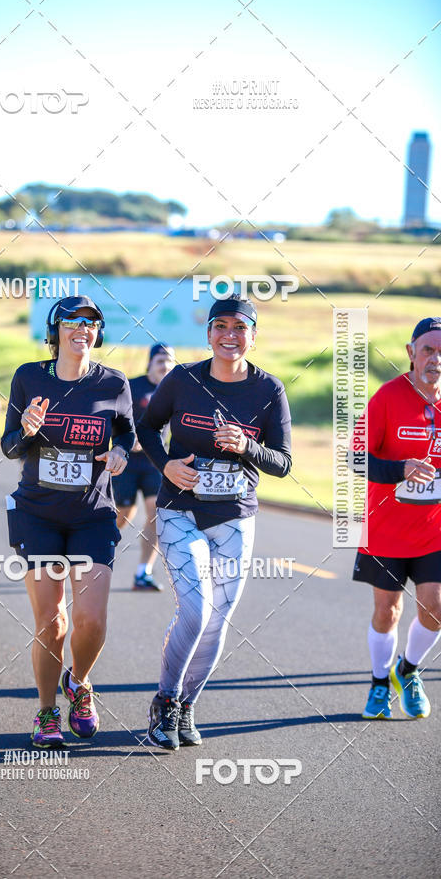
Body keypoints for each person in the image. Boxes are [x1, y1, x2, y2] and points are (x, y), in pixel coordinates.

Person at [137, 294, 292, 750]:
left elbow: (283, 463)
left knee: (218, 621)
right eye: (221, 326)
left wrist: (246, 446)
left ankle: (187, 705)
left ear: (253, 336)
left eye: (240, 327)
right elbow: (147, 427)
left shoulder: (269, 390)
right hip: (179, 509)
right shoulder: (183, 379)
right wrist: (166, 465)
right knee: (196, 609)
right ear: (208, 334)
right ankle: (165, 701)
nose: (230, 335)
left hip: (234, 517)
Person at [1, 295, 135, 749]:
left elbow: (127, 431)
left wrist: (120, 452)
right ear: (55, 331)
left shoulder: (114, 383)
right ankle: (46, 712)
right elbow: (9, 447)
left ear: (98, 332)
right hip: (38, 515)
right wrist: (27, 430)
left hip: (91, 516)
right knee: (52, 622)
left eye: (91, 322)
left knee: (91, 620)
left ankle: (78, 682)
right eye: (72, 321)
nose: (83, 328)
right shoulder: (29, 377)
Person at [353, 317, 441, 720]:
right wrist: (398, 469)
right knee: (387, 609)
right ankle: (378, 681)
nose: (435, 359)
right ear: (411, 353)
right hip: (386, 529)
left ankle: (408, 670)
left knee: (435, 607)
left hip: (434, 530)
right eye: (428, 349)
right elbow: (355, 458)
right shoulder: (387, 397)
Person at [113, 342, 175, 590]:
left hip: (155, 463)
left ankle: (143, 573)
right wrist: (129, 440)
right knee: (124, 515)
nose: (165, 365)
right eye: (160, 361)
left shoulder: (175, 390)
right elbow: (115, 418)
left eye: (170, 361)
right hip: (127, 463)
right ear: (150, 363)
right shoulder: (131, 386)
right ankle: (95, 553)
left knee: (156, 514)